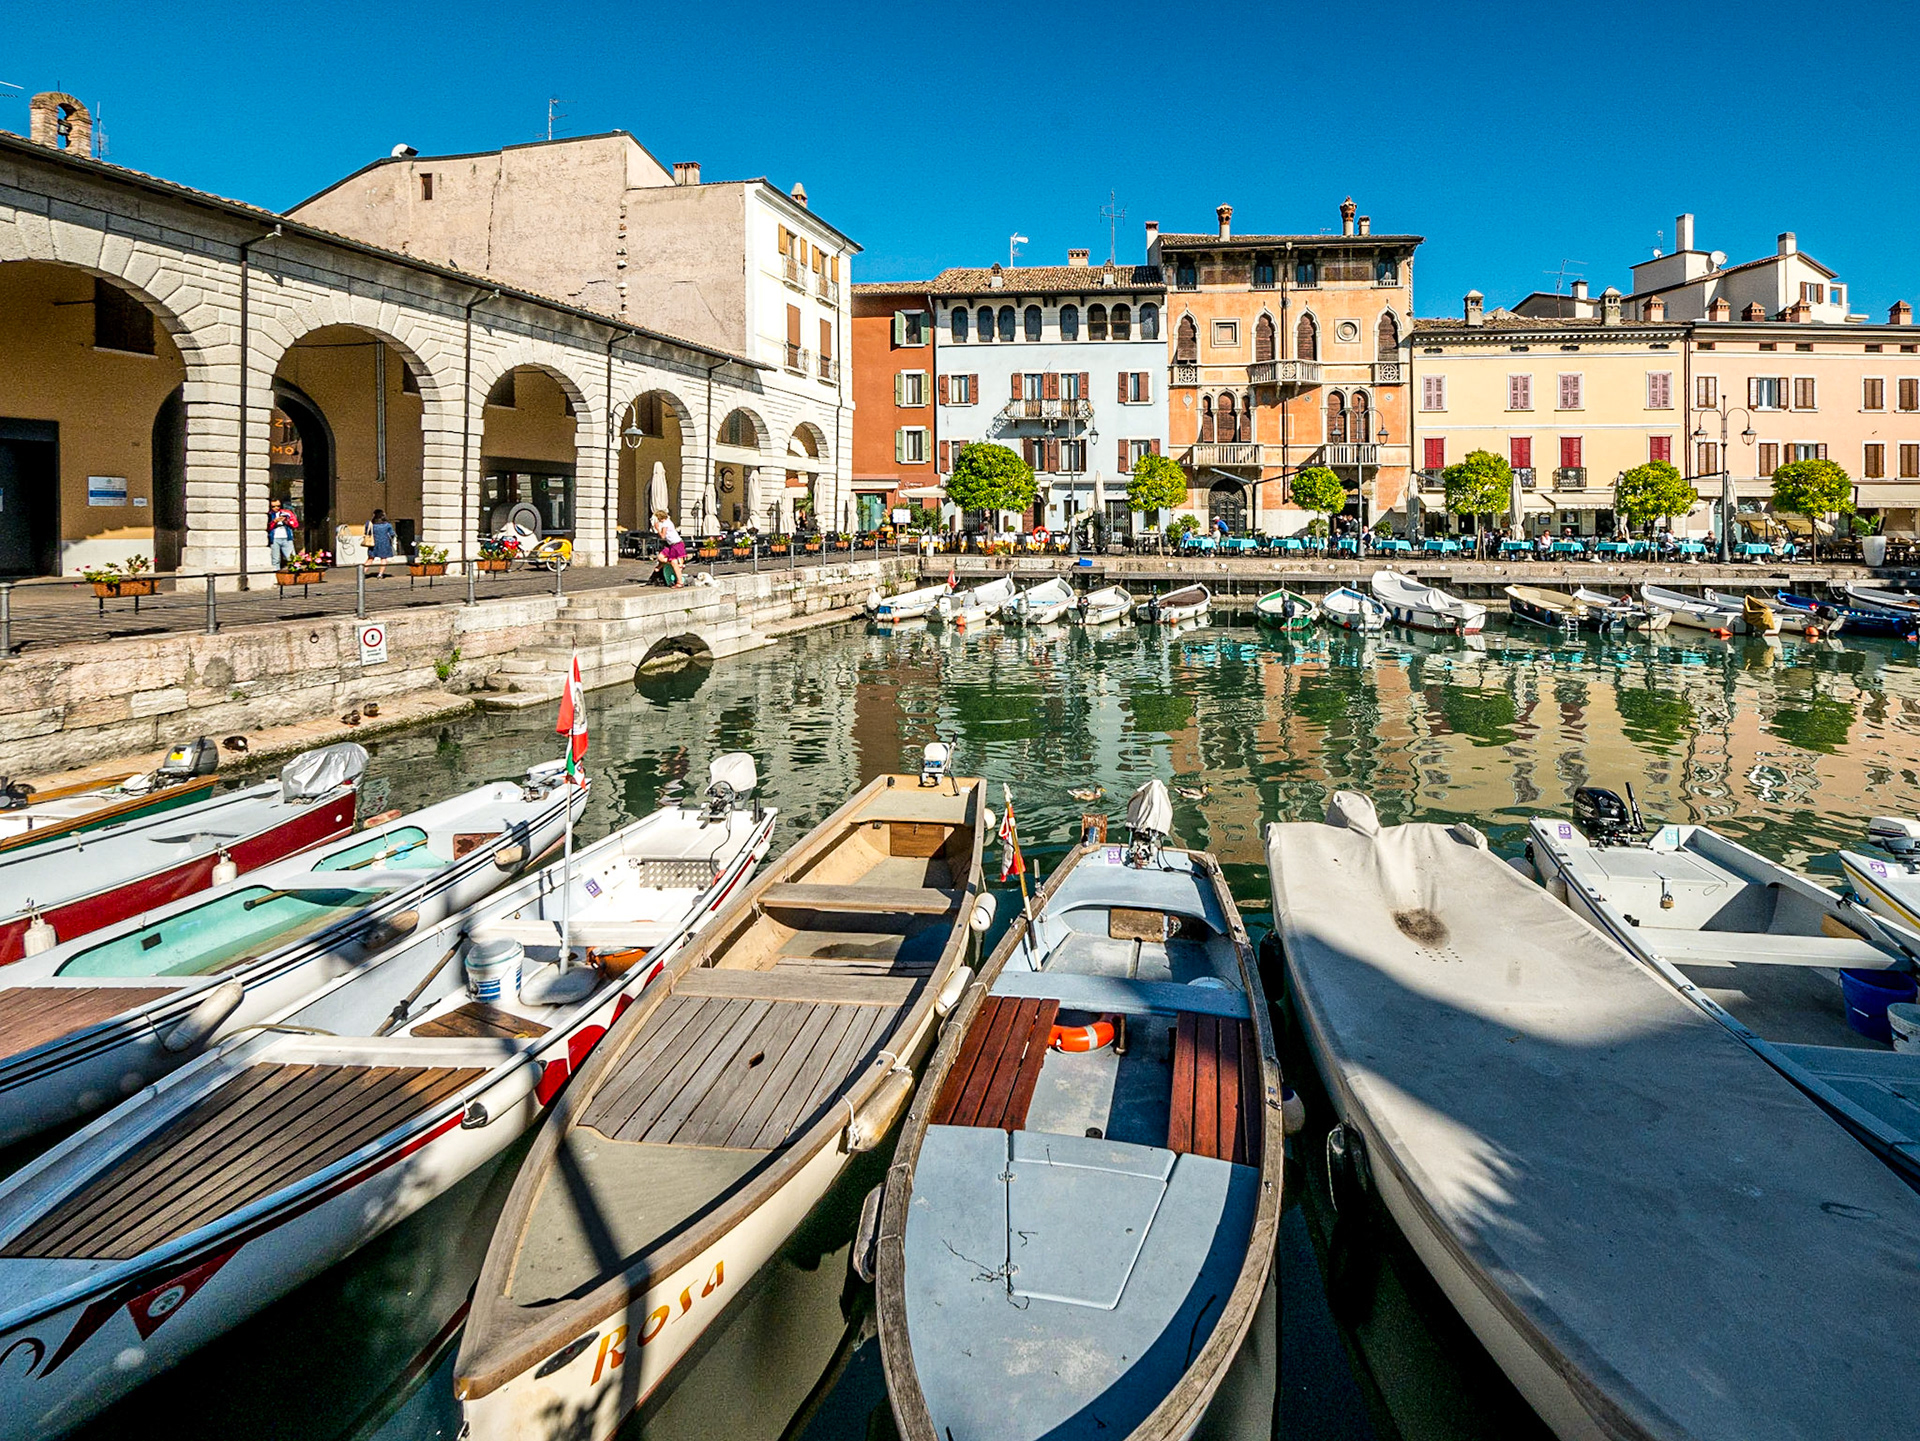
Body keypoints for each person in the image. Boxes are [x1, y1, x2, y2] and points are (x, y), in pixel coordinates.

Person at [652, 509, 686, 587]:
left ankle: (679, 582)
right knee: (661, 557)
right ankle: (669, 563)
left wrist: (657, 529)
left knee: (674, 563)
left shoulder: (665, 524)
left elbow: (663, 536)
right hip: (671, 545)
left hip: (676, 544)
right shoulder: (667, 522)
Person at [364, 508, 397, 578]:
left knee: (370, 558)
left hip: (373, 543)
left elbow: (367, 532)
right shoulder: (387, 525)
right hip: (385, 543)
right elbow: (392, 534)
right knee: (383, 558)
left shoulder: (370, 524)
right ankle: (380, 574)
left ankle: (362, 572)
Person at [266, 499, 298, 570]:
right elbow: (266, 528)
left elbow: (295, 524)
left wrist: (287, 521)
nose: (276, 508)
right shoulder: (268, 514)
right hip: (274, 539)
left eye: (278, 506)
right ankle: (275, 576)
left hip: (287, 537)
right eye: (273, 506)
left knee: (291, 558)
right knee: (275, 559)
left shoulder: (287, 513)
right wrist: (274, 521)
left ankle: (294, 574)